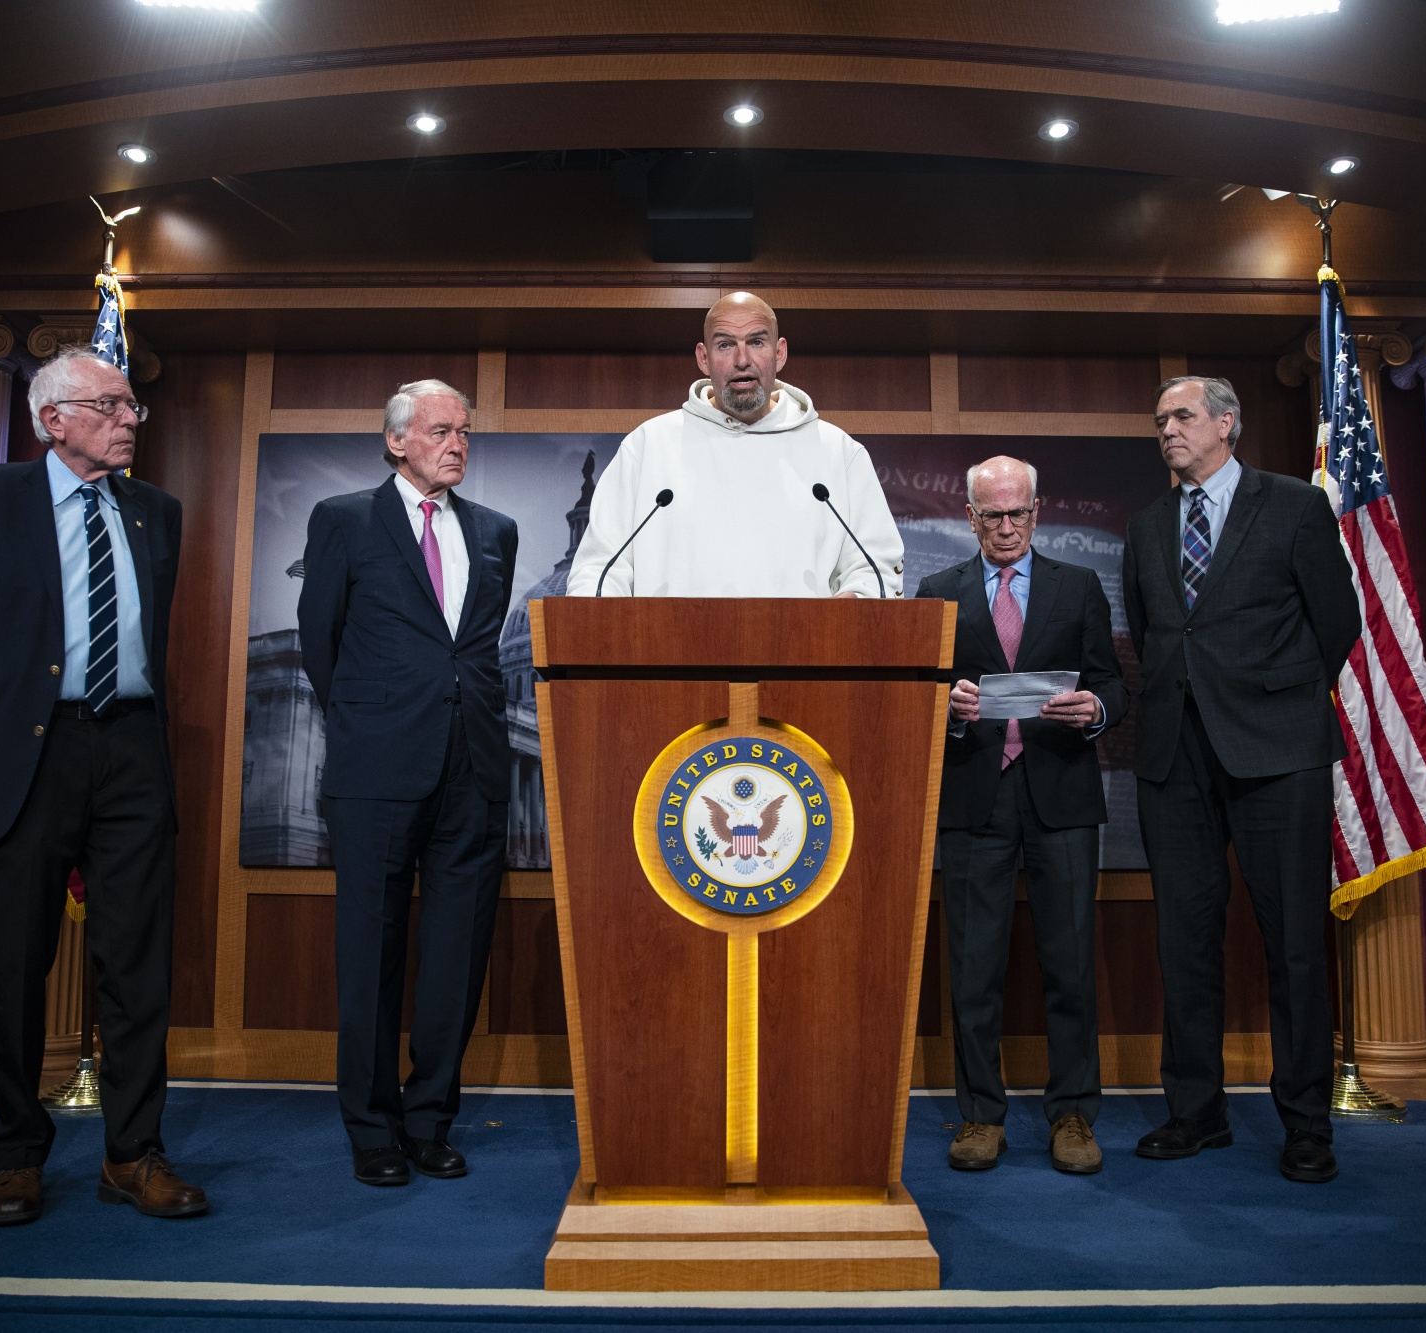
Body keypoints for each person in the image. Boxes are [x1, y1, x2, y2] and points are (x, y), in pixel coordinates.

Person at [0, 345, 204, 1226]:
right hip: (24, 756)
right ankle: (16, 1156)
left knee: (137, 966)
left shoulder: (157, 511)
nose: (130, 421)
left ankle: (133, 1152)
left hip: (129, 754)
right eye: (113, 407)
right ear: (54, 418)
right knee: (11, 963)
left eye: (131, 409)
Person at [1120, 376, 1359, 1184]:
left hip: (1277, 752)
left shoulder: (1292, 505)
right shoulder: (1148, 523)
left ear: (1228, 422)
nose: (1168, 431)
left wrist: (1274, 698)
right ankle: (1197, 1112)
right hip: (1173, 759)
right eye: (1160, 421)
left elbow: (1338, 623)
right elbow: (1154, 630)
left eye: (1182, 416)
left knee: (1294, 941)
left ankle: (1305, 1124)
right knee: (1184, 942)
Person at [297, 379, 519, 1188]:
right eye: (438, 430)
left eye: (464, 431)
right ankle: (372, 1129)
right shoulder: (346, 519)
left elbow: (477, 650)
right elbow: (319, 643)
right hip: (376, 771)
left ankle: (430, 1121)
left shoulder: (499, 532)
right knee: (370, 955)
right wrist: (371, 722)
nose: (456, 443)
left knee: (456, 958)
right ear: (396, 441)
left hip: (475, 770)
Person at [917, 456, 1126, 1175]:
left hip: (1061, 795)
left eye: (1018, 514)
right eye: (990, 516)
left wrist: (1095, 708)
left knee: (1069, 963)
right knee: (973, 968)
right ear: (969, 518)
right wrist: (942, 709)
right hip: (975, 795)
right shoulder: (937, 592)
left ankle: (1073, 1114)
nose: (1006, 528)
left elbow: (1111, 683)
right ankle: (980, 1114)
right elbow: (920, 695)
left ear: (1037, 512)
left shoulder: (1079, 587)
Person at [565, 291, 903, 598]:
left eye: (757, 342)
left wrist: (855, 603)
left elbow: (875, 570)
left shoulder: (837, 452)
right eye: (725, 344)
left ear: (780, 352)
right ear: (703, 357)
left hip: (803, 661)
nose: (742, 360)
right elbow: (598, 571)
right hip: (670, 661)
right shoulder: (648, 446)